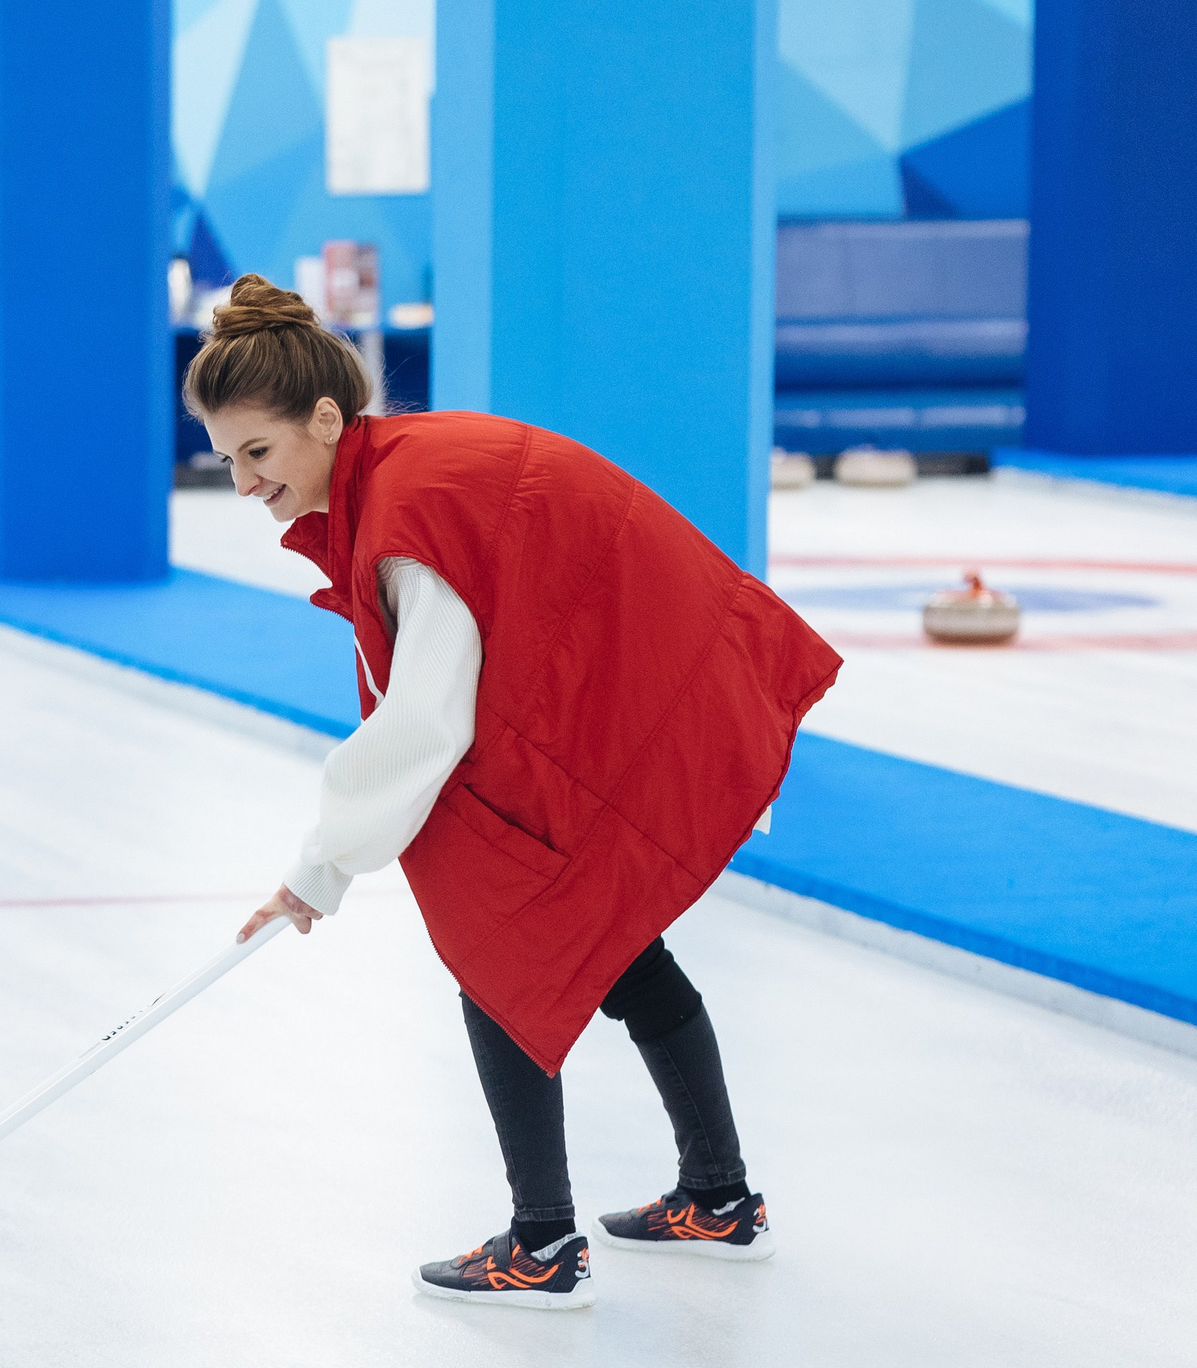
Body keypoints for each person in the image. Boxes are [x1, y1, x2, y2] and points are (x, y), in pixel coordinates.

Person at [193, 274, 840, 1311]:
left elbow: (423, 722)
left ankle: (539, 1242)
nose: (243, 482)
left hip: (643, 690)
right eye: (225, 460)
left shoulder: (407, 514)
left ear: (324, 420)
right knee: (608, 931)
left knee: (498, 917)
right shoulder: (401, 468)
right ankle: (717, 1196)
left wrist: (318, 870)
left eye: (257, 453)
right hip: (632, 680)